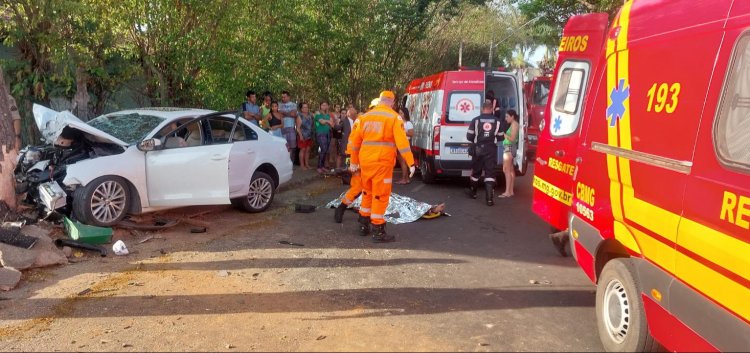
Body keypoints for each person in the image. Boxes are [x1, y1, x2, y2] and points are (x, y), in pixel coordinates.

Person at [349, 91, 415, 243]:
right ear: (392, 102)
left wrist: (353, 162)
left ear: (379, 101)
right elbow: (402, 143)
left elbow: (355, 143)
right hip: (382, 162)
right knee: (381, 195)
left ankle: (363, 224)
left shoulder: (364, 117)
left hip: (365, 162)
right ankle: (378, 230)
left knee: (367, 192)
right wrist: (411, 163)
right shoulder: (393, 117)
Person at [465, 101, 504, 206]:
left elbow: (469, 137)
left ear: (482, 109)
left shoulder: (475, 120)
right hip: (491, 149)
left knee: (476, 172)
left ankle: (473, 193)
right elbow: (501, 137)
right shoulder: (497, 121)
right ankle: (489, 200)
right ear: (491, 109)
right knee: (490, 173)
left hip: (478, 149)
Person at [333, 111, 363, 224]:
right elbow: (353, 146)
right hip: (358, 159)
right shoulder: (362, 123)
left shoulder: (361, 122)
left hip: (364, 160)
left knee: (366, 189)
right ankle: (341, 207)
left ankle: (364, 216)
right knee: (357, 188)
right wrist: (353, 163)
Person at [499, 109, 520, 198]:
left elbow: (512, 139)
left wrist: (504, 134)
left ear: (512, 117)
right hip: (510, 148)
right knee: (511, 170)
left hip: (509, 148)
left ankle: (507, 192)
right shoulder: (513, 124)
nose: (506, 118)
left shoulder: (514, 125)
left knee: (506, 170)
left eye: (507, 116)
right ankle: (510, 191)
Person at [395, 107, 414, 184]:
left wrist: (402, 132)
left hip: (404, 143)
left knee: (403, 162)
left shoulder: (408, 123)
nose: (400, 115)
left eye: (401, 113)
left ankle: (404, 179)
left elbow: (411, 134)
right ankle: (406, 178)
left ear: (405, 114)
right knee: (403, 162)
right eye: (399, 113)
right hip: (400, 143)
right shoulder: (399, 122)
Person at [314, 101, 334, 173]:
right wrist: (328, 121)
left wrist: (327, 121)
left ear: (328, 106)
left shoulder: (328, 115)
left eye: (326, 105)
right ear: (320, 106)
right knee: (323, 149)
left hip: (327, 133)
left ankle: (322, 166)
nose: (324, 107)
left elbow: (332, 125)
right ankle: (319, 166)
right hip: (320, 134)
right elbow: (322, 122)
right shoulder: (318, 114)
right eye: (323, 105)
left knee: (325, 150)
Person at [279, 91, 298, 159]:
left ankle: (291, 162)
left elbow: (294, 114)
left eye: (284, 97)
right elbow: (280, 114)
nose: (283, 98)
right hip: (282, 128)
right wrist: (289, 113)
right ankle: (285, 161)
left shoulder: (293, 104)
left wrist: (284, 113)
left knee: (292, 146)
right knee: (284, 146)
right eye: (282, 97)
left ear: (288, 97)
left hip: (291, 128)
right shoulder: (279, 105)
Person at [296, 102, 314, 170]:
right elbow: (298, 128)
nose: (306, 108)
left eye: (307, 107)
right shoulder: (299, 116)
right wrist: (300, 136)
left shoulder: (310, 115)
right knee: (302, 150)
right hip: (302, 136)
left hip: (309, 136)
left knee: (308, 150)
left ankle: (307, 164)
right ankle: (302, 165)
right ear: (301, 109)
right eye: (304, 107)